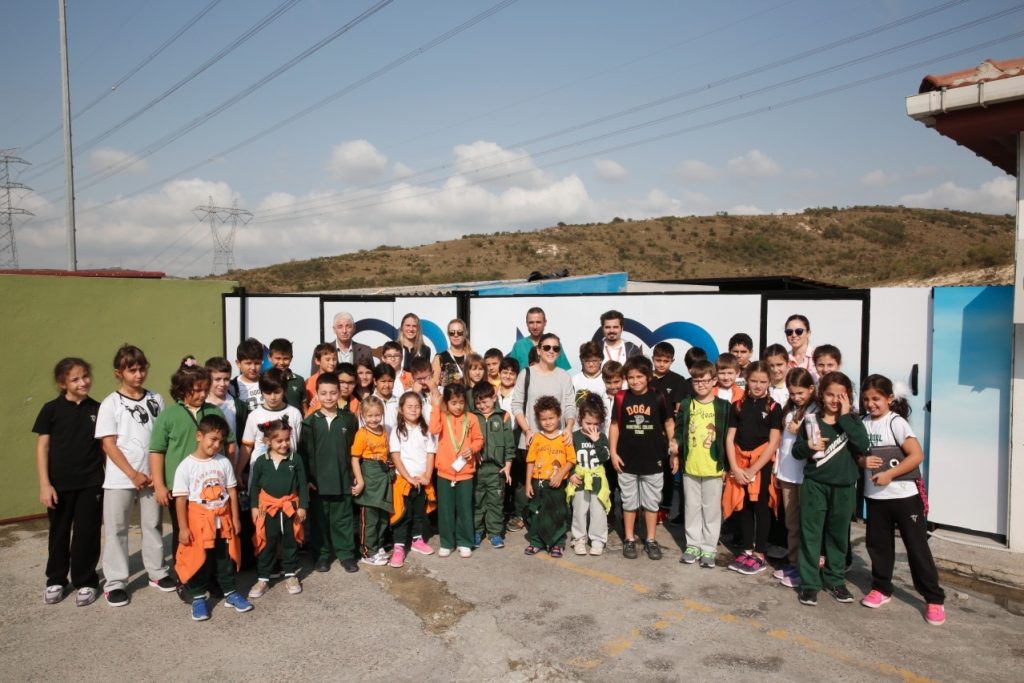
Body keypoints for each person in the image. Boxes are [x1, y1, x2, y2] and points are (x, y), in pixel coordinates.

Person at [858, 375, 945, 625]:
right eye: (866, 399)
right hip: (875, 498)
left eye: (876, 398)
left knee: (917, 548)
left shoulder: (896, 423)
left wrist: (889, 474)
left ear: (889, 398)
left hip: (905, 498)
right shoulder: (862, 422)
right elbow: (857, 456)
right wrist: (862, 462)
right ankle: (882, 589)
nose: (871, 404)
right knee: (878, 546)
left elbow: (916, 455)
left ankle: (934, 599)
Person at [95, 345, 172, 607]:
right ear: (119, 372)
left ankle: (157, 572)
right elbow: (108, 444)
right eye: (132, 370)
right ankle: (116, 581)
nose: (138, 374)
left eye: (142, 369)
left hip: (152, 476)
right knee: (117, 530)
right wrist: (132, 474)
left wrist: (156, 474)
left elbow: (161, 438)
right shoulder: (110, 403)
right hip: (121, 479)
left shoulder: (156, 399)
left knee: (153, 525)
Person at [792, 371, 870, 607]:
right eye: (830, 395)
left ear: (849, 397)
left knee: (837, 537)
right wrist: (807, 446)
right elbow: (796, 452)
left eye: (841, 395)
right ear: (821, 395)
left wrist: (846, 417)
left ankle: (836, 581)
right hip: (815, 486)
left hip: (845, 488)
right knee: (811, 535)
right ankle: (809, 584)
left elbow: (863, 445)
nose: (835, 400)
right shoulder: (811, 420)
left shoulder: (854, 421)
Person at [34, 357, 104, 607]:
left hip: (91, 482)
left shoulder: (98, 409)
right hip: (59, 485)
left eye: (85, 376)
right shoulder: (50, 410)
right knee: (59, 532)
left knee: (87, 533)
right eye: (75, 379)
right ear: (62, 383)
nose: (83, 382)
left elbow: (105, 448)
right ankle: (56, 579)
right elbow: (43, 447)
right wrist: (45, 484)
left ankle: (86, 581)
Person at [150, 363, 235, 565]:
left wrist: (229, 473)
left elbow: (229, 443)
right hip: (181, 489)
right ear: (181, 390)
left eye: (205, 389)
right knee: (184, 532)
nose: (202, 394)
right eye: (197, 390)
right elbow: (157, 451)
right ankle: (185, 577)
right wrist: (160, 485)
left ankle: (212, 577)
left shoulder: (215, 411)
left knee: (213, 532)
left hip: (212, 487)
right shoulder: (168, 416)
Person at [173, 414, 253, 621]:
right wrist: (183, 528)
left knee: (224, 559)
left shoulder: (224, 462)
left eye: (221, 441)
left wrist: (235, 518)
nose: (217, 445)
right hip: (199, 524)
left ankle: (231, 593)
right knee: (200, 561)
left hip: (223, 522)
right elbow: (181, 500)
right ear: (199, 436)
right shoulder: (186, 466)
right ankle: (199, 597)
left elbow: (232, 491)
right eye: (213, 439)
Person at [609, 355, 678, 561]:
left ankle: (650, 539)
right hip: (627, 459)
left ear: (648, 377)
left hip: (654, 458)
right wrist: (613, 453)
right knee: (629, 501)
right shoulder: (621, 397)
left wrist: (674, 452)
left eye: (640, 376)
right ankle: (629, 539)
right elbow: (614, 426)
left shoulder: (659, 397)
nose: (635, 381)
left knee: (651, 502)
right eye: (631, 377)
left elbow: (669, 423)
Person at [510, 333, 577, 532]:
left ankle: (552, 524)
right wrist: (527, 430)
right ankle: (527, 519)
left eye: (555, 348)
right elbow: (517, 405)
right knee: (528, 484)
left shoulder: (564, 376)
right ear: (538, 350)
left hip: (556, 442)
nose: (551, 352)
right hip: (531, 441)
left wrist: (569, 428)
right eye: (546, 347)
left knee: (554, 484)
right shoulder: (526, 373)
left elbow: (570, 406)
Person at [723, 361, 782, 576]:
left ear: (769, 382)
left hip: (761, 465)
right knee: (745, 506)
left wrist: (754, 469)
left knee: (761, 507)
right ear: (747, 380)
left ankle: (760, 553)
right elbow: (730, 438)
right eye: (754, 381)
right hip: (739, 462)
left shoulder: (774, 408)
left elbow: (774, 441)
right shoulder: (737, 405)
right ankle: (747, 549)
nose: (758, 386)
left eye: (763, 382)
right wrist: (735, 468)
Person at [299, 373, 359, 574]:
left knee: (343, 520)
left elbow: (354, 450)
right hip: (319, 483)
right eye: (323, 393)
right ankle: (322, 555)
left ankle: (346, 554)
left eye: (333, 392)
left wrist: (355, 475)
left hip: (343, 479)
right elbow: (304, 454)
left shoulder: (348, 419)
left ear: (339, 393)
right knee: (319, 521)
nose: (329, 397)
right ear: (317, 394)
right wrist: (307, 478)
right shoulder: (310, 422)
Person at [675, 360, 730, 569]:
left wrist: (726, 466)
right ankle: (693, 545)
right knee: (691, 507)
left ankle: (708, 548)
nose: (700, 385)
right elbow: (680, 431)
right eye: (696, 381)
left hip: (714, 467)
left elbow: (727, 437)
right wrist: (675, 446)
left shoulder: (723, 406)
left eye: (705, 381)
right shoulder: (687, 404)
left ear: (714, 381)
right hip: (690, 466)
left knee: (712, 509)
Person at [247, 417, 307, 598]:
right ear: (268, 441)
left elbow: (303, 484)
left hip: (289, 509)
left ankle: (290, 575)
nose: (284, 444)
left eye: (287, 439)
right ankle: (263, 578)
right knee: (267, 542)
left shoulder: (294, 459)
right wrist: (254, 507)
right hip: (268, 509)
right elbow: (255, 486)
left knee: (290, 541)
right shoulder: (261, 461)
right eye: (279, 441)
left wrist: (303, 506)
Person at [772, 367, 817, 588]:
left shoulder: (816, 410)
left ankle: (805, 566)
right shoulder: (788, 409)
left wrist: (800, 431)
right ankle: (793, 561)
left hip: (806, 476)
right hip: (787, 473)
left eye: (801, 393)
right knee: (791, 523)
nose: (796, 397)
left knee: (806, 523)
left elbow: (817, 442)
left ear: (811, 389)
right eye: (792, 393)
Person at [430, 384, 484, 558]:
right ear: (447, 402)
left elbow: (478, 439)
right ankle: (447, 542)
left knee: (464, 508)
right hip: (445, 472)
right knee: (445, 509)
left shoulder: (472, 418)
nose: (458, 406)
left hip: (465, 472)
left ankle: (464, 541)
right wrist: (436, 406)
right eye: (453, 402)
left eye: (461, 402)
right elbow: (433, 429)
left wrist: (473, 449)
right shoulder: (442, 416)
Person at [389, 392, 438, 568]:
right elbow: (395, 456)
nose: (413, 409)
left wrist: (426, 475)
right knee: (402, 514)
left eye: (417, 406)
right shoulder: (396, 430)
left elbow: (431, 454)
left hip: (422, 481)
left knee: (419, 513)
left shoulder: (426, 430)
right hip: (403, 481)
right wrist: (407, 476)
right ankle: (399, 546)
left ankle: (417, 540)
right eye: (409, 406)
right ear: (401, 409)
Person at [524, 396, 577, 557]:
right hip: (538, 482)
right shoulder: (537, 438)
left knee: (558, 513)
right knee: (537, 512)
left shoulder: (564, 437)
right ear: (539, 420)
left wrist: (560, 476)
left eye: (551, 418)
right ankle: (536, 542)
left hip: (557, 483)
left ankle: (557, 543)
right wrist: (528, 483)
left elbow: (571, 460)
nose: (548, 422)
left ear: (559, 416)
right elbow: (530, 461)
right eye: (544, 419)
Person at [471, 382, 515, 549]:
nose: (482, 406)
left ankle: (495, 533)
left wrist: (508, 465)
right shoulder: (472, 417)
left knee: (495, 502)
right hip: (478, 469)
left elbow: (509, 444)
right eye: (478, 402)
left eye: (485, 401)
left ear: (494, 398)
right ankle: (476, 531)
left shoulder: (504, 416)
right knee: (477, 502)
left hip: (497, 470)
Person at [351, 396, 394, 566]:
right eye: (370, 416)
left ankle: (378, 545)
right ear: (362, 415)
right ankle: (367, 551)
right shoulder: (362, 434)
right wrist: (360, 482)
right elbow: (355, 459)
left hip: (383, 476)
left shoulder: (383, 430)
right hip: (369, 476)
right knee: (370, 519)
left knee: (383, 516)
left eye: (377, 415)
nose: (374, 419)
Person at [650, 342, 690, 525]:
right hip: (649, 432)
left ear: (672, 361)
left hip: (667, 433)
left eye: (666, 361)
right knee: (650, 470)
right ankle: (648, 506)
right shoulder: (646, 378)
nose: (661, 364)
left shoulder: (678, 380)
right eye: (658, 360)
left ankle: (665, 507)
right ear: (653, 359)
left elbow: (676, 412)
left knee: (667, 471)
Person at [567, 395, 611, 556]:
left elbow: (604, 457)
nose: (592, 427)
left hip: (598, 481)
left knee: (598, 510)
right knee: (579, 510)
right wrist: (571, 474)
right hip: (579, 480)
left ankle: (598, 539)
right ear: (580, 419)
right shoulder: (575, 436)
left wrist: (597, 441)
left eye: (595, 424)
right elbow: (569, 459)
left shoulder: (602, 437)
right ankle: (579, 538)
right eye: (588, 423)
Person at [241, 368, 303, 470]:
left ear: (285, 390)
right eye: (268, 393)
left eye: (277, 392)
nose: (272, 397)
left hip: (287, 472)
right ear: (261, 392)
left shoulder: (294, 413)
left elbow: (298, 443)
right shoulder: (254, 415)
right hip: (260, 475)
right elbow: (247, 446)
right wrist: (238, 472)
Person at [205, 357, 247, 476]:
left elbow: (243, 440)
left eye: (226, 379)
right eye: (217, 379)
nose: (222, 384)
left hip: (232, 465)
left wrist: (239, 471)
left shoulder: (238, 406)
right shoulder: (202, 405)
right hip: (206, 467)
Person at [508, 307, 571, 371]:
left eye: (538, 322)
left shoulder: (554, 345)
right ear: (527, 323)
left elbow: (563, 371)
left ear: (545, 322)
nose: (535, 327)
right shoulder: (519, 345)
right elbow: (511, 372)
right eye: (531, 322)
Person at [268, 338, 306, 413]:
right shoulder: (264, 380)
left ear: (291, 358)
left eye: (285, 358)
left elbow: (304, 407)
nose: (281, 362)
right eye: (278, 358)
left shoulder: (299, 380)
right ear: (270, 358)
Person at [433, 318, 473, 387]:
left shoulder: (472, 357)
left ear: (465, 333)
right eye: (452, 332)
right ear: (448, 335)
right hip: (447, 397)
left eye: (459, 332)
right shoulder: (439, 358)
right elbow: (433, 385)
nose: (456, 335)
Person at [229, 337, 264, 413]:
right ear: (238, 363)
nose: (253, 368)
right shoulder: (232, 387)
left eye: (257, 363)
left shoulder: (269, 381)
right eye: (248, 363)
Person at [305, 343, 338, 415]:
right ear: (317, 361)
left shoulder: (339, 380)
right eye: (328, 359)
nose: (332, 363)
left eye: (334, 359)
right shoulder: (309, 382)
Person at [784, 314, 817, 380]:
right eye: (789, 332)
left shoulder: (818, 356)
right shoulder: (784, 359)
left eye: (799, 331)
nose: (794, 335)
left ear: (808, 333)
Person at [372, 363, 399, 430]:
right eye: (383, 381)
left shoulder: (399, 401)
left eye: (390, 381)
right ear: (375, 381)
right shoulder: (369, 402)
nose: (387, 385)